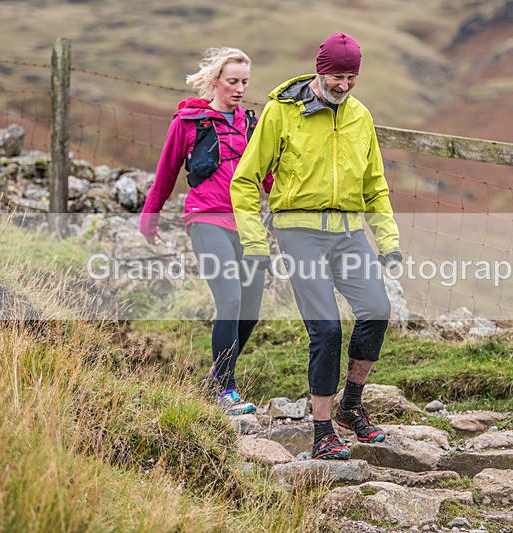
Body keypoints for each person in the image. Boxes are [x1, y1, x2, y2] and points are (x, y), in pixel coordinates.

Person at [231, 33, 402, 459]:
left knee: (378, 310)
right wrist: (255, 242)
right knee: (326, 327)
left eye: (352, 77)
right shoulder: (281, 111)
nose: (344, 85)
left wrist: (388, 240)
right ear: (320, 71)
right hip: (299, 231)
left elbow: (375, 186)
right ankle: (322, 429)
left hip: (348, 232)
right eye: (337, 77)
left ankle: (351, 407)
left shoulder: (360, 116)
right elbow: (246, 179)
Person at [139, 47, 270, 416]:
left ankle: (215, 378)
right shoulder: (188, 122)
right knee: (229, 299)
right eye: (233, 81)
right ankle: (226, 391)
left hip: (247, 224)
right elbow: (166, 173)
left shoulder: (252, 124)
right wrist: (149, 219)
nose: (240, 88)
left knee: (251, 310)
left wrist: (284, 212)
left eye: (245, 81)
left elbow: (270, 175)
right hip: (206, 220)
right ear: (216, 81)